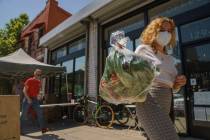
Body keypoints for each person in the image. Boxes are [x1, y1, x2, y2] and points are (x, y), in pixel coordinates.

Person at [134, 17, 186, 140]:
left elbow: (173, 87)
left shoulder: (169, 58)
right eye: (162, 29)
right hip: (149, 99)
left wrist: (178, 83)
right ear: (153, 31)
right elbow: (133, 75)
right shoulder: (143, 49)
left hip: (167, 101)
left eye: (169, 31)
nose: (166, 34)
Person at [20, 69, 48, 134]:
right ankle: (20, 129)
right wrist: (28, 99)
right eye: (38, 74)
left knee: (40, 112)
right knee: (24, 115)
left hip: (35, 99)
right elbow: (24, 91)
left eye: (40, 75)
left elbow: (38, 92)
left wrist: (40, 95)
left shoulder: (39, 82)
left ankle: (43, 128)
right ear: (34, 74)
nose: (39, 76)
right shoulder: (29, 80)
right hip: (27, 98)